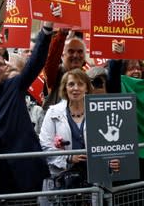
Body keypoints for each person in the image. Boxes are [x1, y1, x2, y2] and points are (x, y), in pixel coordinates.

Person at [0, 21, 54, 195]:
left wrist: (46, 31)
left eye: (0, 64)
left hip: (25, 172)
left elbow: (35, 62)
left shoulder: (13, 86)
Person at [39, 69, 119, 205]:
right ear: (65, 88)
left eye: (80, 84)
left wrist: (112, 160)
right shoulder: (53, 112)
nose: (75, 88)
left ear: (87, 87)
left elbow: (110, 143)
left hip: (94, 181)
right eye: (71, 84)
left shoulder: (100, 110)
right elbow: (45, 146)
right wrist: (69, 158)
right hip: (64, 182)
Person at [42, 30, 87, 111]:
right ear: (62, 55)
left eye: (80, 51)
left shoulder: (88, 76)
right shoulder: (56, 73)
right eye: (71, 51)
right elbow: (52, 58)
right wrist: (62, 33)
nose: (76, 55)